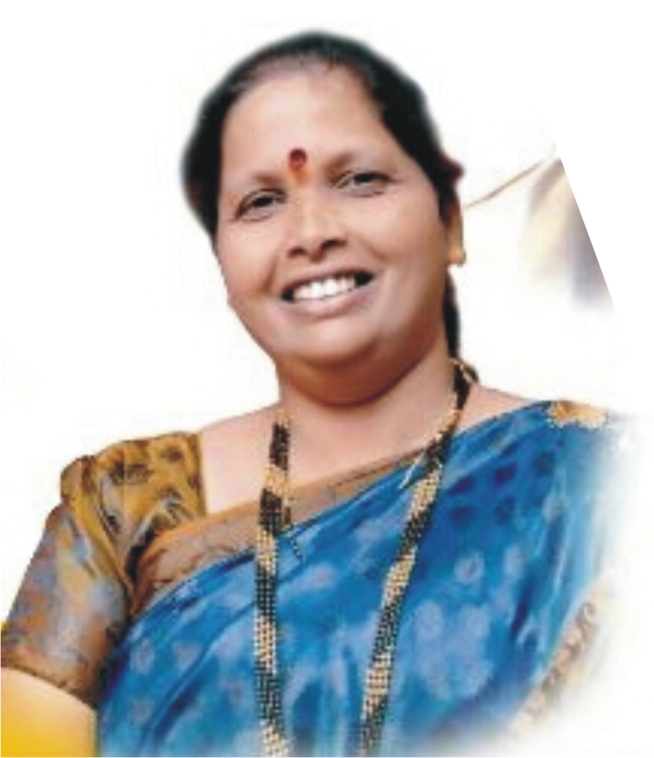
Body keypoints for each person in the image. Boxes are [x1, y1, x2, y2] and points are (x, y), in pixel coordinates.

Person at [1, 31, 629, 757]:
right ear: (224, 266)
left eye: (359, 180)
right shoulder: (123, 506)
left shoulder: (600, 481)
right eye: (261, 201)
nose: (310, 232)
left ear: (451, 224)